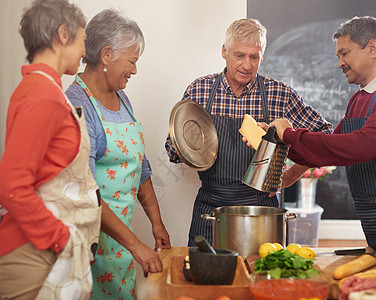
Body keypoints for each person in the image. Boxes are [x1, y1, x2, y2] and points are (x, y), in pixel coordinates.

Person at [165, 18, 333, 246]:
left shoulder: (279, 94)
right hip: (211, 209)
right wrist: (189, 144)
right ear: (225, 51)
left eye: (254, 57)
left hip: (262, 211)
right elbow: (173, 152)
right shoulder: (200, 90)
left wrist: (292, 175)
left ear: (262, 56)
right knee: (205, 278)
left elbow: (325, 137)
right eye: (239, 55)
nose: (247, 65)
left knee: (261, 278)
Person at [65, 9, 171, 299]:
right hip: (92, 245)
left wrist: (156, 222)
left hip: (121, 247)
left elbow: (141, 167)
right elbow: (84, 192)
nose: (135, 70)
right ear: (107, 55)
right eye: (132, 61)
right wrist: (136, 245)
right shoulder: (77, 107)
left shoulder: (122, 98)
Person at [0, 0, 100, 299]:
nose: (85, 52)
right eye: (83, 40)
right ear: (63, 35)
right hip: (33, 254)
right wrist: (60, 237)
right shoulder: (43, 95)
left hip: (41, 250)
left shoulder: (43, 88)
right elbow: (12, 184)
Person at [266, 16, 376, 250]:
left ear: (372, 48)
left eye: (344, 53)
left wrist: (290, 135)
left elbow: (364, 146)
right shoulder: (358, 99)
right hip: (369, 217)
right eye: (338, 56)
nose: (339, 64)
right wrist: (275, 137)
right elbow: (330, 149)